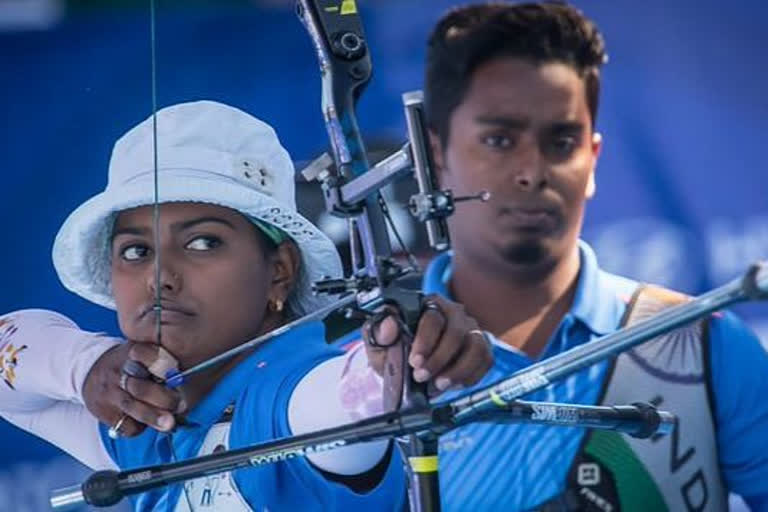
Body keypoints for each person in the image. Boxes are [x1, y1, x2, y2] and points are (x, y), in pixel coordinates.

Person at [0, 100, 493, 511]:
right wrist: (86, 368)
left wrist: (400, 362)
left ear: (279, 269)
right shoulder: (147, 421)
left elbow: (344, 400)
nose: (159, 278)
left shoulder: (287, 385)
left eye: (202, 244)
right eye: (135, 252)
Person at [407, 2, 768, 511]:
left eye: (561, 141)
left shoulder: (708, 345)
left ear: (593, 159)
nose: (533, 171)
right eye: (499, 139)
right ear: (435, 156)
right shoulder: (371, 371)